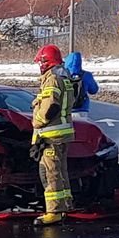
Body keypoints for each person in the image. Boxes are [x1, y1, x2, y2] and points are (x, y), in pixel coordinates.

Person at [29, 43, 79, 225]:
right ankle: (65, 205)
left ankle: (54, 211)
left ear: (45, 62)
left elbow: (51, 105)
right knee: (60, 171)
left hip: (52, 134)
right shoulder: (63, 77)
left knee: (50, 173)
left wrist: (38, 121)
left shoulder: (52, 79)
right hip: (62, 134)